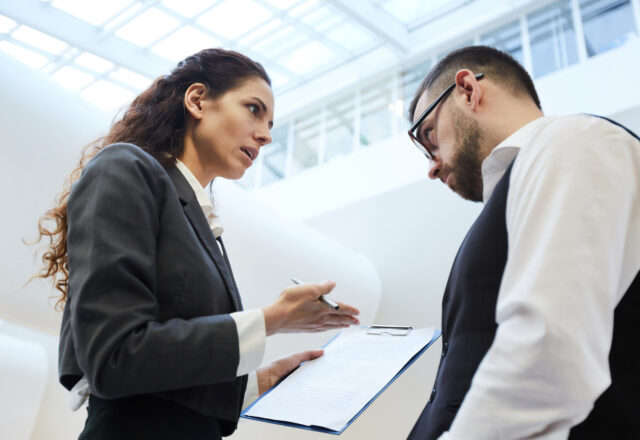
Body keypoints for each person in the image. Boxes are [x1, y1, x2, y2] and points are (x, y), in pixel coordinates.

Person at [33, 48, 360, 440]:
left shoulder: (199, 220)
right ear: (197, 100)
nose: (267, 135)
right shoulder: (124, 167)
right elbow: (116, 356)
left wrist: (262, 381)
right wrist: (272, 320)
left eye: (270, 123)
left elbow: (164, 383)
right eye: (254, 109)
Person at [405, 45, 639, 439]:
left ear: (467, 90)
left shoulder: (574, 140)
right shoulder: (525, 184)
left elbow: (548, 352)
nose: (431, 165)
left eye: (428, 134)